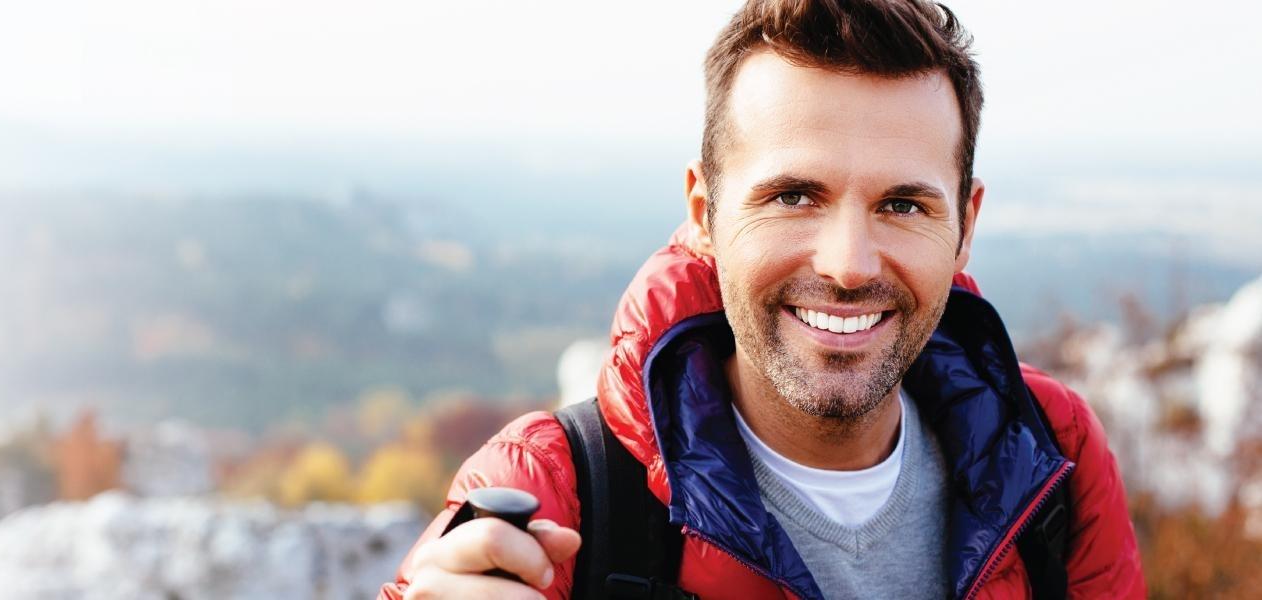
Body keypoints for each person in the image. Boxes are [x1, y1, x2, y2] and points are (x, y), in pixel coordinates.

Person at [380, 1, 1145, 598]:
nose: (848, 265)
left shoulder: (1052, 455)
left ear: (966, 226)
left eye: (904, 206)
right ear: (705, 213)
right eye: (794, 196)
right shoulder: (550, 493)